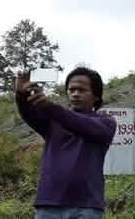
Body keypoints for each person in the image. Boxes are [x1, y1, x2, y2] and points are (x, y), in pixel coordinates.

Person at [15, 68, 117, 219]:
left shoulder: (106, 122)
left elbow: (79, 123)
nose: (75, 94)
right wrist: (21, 94)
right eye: (72, 89)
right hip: (48, 206)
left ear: (96, 96)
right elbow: (28, 113)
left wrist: (50, 107)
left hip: (86, 207)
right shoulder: (52, 121)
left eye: (82, 90)